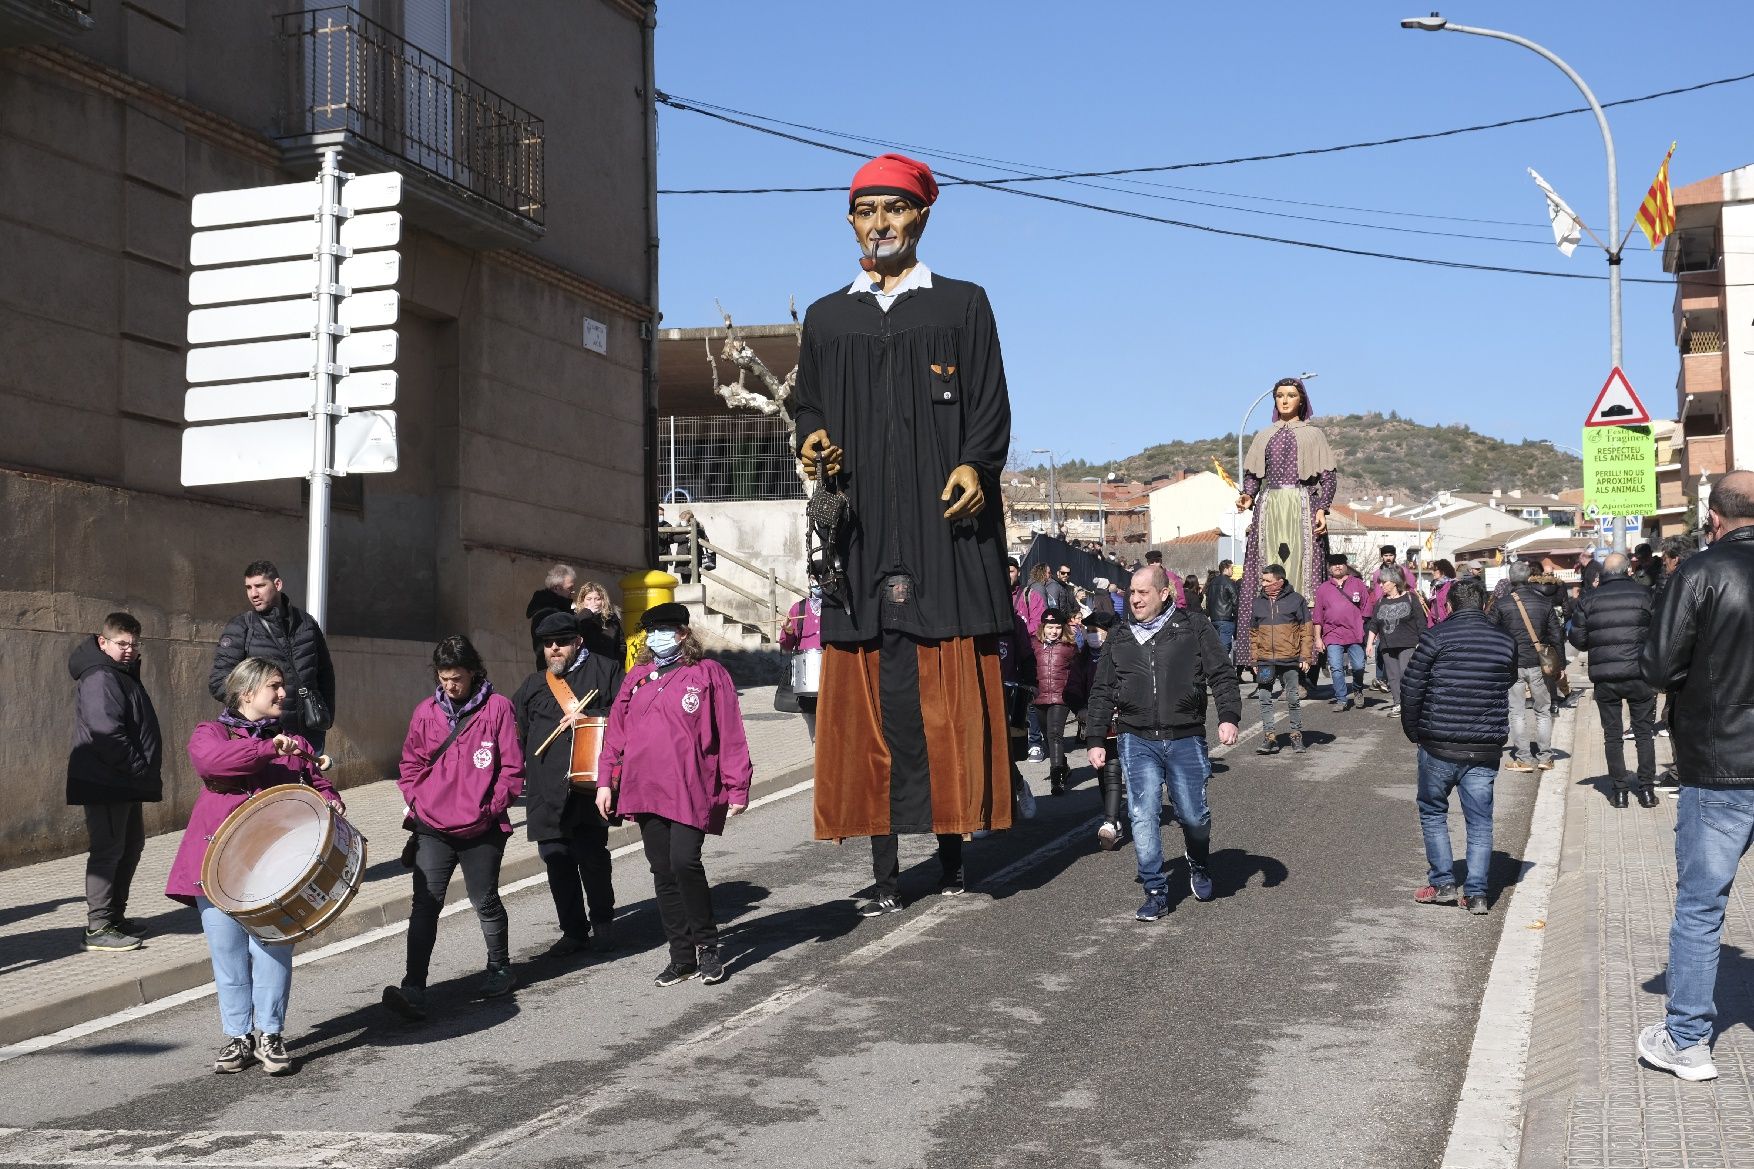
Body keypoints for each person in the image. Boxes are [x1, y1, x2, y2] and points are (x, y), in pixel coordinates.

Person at [792, 151, 1015, 882]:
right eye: (866, 210)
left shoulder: (962, 304)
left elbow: (989, 405)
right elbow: (809, 405)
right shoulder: (827, 318)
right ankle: (884, 868)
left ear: (922, 215)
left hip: (942, 536)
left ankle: (953, 850)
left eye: (893, 208)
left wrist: (976, 467)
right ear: (851, 221)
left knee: (941, 703)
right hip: (859, 536)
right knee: (872, 708)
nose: (880, 223)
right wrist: (811, 437)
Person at [168, 657, 342, 1075]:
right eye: (274, 687)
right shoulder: (210, 732)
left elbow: (316, 783)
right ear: (247, 694)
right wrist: (270, 747)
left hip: (274, 865)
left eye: (282, 687)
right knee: (227, 954)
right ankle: (238, 1037)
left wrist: (331, 799)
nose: (283, 694)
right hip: (216, 863)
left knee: (273, 948)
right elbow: (216, 764)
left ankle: (270, 1033)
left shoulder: (293, 740)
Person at [1636, 471, 1754, 1082]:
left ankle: (1686, 1040)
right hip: (1723, 763)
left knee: (1702, 906)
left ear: (1712, 517)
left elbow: (1657, 664)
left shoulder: (1702, 571)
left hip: (1719, 765)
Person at [597, 604, 751, 986]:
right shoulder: (636, 677)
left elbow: (730, 731)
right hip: (644, 787)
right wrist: (605, 781)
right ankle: (680, 956)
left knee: (685, 862)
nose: (655, 637)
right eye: (650, 631)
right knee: (663, 871)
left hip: (689, 787)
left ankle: (708, 947)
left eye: (664, 630)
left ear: (683, 633)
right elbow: (615, 733)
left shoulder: (707, 674)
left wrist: (738, 785)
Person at [1085, 566, 1241, 920]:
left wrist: (1229, 716)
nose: (1135, 599)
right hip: (1135, 738)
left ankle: (1199, 862)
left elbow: (1221, 674)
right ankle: (1155, 889)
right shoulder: (1120, 635)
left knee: (1194, 816)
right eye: (1131, 592)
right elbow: (1103, 690)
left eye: (1143, 592)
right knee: (1142, 813)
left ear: (1164, 593)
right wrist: (1095, 738)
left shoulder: (1194, 626)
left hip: (1185, 736)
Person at [383, 636, 525, 1021]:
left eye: (458, 678)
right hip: (433, 826)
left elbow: (511, 770)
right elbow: (409, 764)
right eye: (444, 678)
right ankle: (414, 986)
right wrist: (417, 802)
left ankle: (500, 968)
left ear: (474, 671)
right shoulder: (425, 713)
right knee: (425, 906)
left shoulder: (498, 709)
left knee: (485, 900)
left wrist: (489, 807)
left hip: (482, 826)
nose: (451, 686)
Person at [1399, 577, 1517, 915]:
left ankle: (1443, 883)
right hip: (1484, 745)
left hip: (1438, 742)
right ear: (1484, 605)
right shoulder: (1504, 641)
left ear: (1448, 606)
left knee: (1434, 812)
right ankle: (1478, 893)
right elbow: (1507, 679)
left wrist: (1413, 731)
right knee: (1480, 821)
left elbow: (1411, 688)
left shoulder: (1435, 637)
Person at [512, 612, 625, 957]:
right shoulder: (533, 685)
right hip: (545, 791)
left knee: (591, 856)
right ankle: (573, 930)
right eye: (548, 645)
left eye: (561, 643)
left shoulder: (606, 671)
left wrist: (591, 719)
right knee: (556, 859)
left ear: (578, 642)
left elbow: (626, 720)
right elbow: (515, 732)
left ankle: (603, 920)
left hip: (588, 787)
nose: (554, 650)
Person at [67, 612, 162, 953]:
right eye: (122, 643)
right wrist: (138, 767)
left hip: (123, 780)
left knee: (130, 846)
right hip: (106, 779)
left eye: (134, 644)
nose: (129, 650)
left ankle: (114, 918)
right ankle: (98, 927)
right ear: (103, 641)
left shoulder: (120, 674)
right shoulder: (100, 677)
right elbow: (106, 732)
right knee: (108, 851)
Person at [1234, 377, 1337, 670]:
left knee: (1304, 577)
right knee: (1262, 575)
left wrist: (1321, 509)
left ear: (1301, 400)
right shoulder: (1263, 435)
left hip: (1302, 505)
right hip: (1269, 508)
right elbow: (1253, 478)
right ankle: (1260, 656)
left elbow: (1328, 478)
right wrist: (1247, 496)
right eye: (1279, 395)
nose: (1285, 400)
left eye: (1291, 395)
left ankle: (1306, 658)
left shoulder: (1314, 435)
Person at [208, 560, 335, 751]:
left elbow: (325, 674)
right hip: (266, 736)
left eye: (260, 586)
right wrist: (255, 713)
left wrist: (325, 715)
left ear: (277, 585)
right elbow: (219, 682)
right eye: (248, 587)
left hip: (310, 733)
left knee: (312, 782)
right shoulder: (241, 627)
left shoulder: (307, 624)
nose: (253, 594)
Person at [1565, 553, 1656, 808]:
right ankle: (1647, 791)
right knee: (1644, 733)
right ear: (1628, 571)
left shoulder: (1589, 599)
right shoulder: (1645, 594)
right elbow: (1660, 632)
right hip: (1640, 673)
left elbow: (1578, 639)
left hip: (1605, 677)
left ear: (1603, 573)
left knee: (1612, 735)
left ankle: (1620, 793)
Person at [1491, 560, 1565, 773]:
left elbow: (1492, 632)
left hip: (1512, 664)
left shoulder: (1502, 604)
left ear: (1511, 578)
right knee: (1542, 711)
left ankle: (1523, 758)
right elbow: (1556, 634)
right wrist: (1560, 663)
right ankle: (1545, 757)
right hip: (1538, 665)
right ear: (1529, 577)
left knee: (1516, 712)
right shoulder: (1543, 603)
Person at [1249, 564, 1314, 754]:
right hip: (1265, 660)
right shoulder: (1257, 603)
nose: (1264, 584)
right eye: (1263, 580)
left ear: (1280, 581)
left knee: (1293, 697)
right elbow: (1253, 634)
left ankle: (1296, 735)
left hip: (1290, 658)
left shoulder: (1296, 600)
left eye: (1268, 581)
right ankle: (1270, 737)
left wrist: (1305, 656)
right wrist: (1254, 659)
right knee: (1264, 697)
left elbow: (1306, 630)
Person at [1079, 610, 1128, 849]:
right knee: (1102, 772)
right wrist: (1080, 709)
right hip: (1095, 723)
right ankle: (1114, 816)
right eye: (1088, 631)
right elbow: (1073, 686)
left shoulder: (1121, 653)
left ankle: (1110, 821)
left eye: (1096, 631)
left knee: (1113, 770)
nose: (1092, 636)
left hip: (1119, 720)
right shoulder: (1083, 657)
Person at [1031, 608, 1087, 797]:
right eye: (1049, 627)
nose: (1053, 631)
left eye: (1057, 627)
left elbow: (1079, 672)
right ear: (1043, 627)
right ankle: (1063, 766)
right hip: (1039, 697)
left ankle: (1057, 780)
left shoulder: (1069, 647)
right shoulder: (1034, 645)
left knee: (1055, 735)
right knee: (1047, 737)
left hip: (1060, 699)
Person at [1311, 554, 1371, 712]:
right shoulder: (1323, 588)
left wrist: (1362, 626)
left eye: (1340, 564)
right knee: (1336, 668)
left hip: (1355, 633)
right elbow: (1318, 616)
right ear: (1329, 568)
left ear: (1346, 565)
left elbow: (1366, 608)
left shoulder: (1358, 584)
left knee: (1358, 666)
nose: (1337, 567)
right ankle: (1341, 699)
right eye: (1334, 564)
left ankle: (1357, 689)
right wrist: (1317, 638)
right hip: (1332, 633)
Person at [1365, 572, 1427, 716]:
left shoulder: (1411, 598)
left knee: (1406, 673)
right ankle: (1398, 703)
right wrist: (1369, 644)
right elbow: (1374, 624)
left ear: (1394, 582)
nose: (1380, 585)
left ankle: (1411, 704)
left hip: (1408, 643)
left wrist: (1421, 642)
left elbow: (1421, 623)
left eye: (1384, 582)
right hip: (1387, 645)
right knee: (1393, 676)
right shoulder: (1381, 602)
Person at [780, 572, 825, 739]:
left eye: (820, 579)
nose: (817, 583)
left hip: (831, 673)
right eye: (814, 579)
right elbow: (786, 646)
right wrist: (789, 632)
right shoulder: (798, 608)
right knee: (814, 731)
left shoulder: (836, 608)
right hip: (807, 681)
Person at [573, 580, 627, 663]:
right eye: (589, 599)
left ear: (603, 601)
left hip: (608, 666)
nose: (593, 603)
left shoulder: (611, 619)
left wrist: (617, 664)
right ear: (582, 601)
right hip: (586, 666)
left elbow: (621, 645)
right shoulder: (578, 617)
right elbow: (575, 633)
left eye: (597, 599)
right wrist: (587, 613)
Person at [1203, 559, 1240, 655]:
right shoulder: (1229, 582)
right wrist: (1237, 616)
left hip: (1214, 619)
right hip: (1226, 619)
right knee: (1225, 647)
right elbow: (1235, 601)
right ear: (1226, 568)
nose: (1233, 571)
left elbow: (1208, 600)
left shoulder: (1212, 583)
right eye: (1231, 568)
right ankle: (1223, 667)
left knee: (1216, 647)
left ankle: (1217, 665)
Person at [1426, 560, 1457, 624]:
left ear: (1442, 571)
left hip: (1448, 624)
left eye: (1434, 570)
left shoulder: (1452, 586)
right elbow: (1433, 605)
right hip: (1435, 624)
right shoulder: (1435, 586)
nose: (1432, 572)